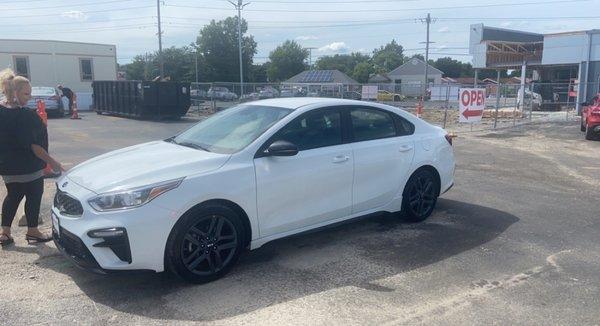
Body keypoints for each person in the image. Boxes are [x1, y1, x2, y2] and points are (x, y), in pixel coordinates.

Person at [0, 69, 64, 246]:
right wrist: (53, 162)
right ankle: (33, 232)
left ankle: (5, 232)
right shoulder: (26, 115)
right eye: (26, 93)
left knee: (13, 195)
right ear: (14, 92)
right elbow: (34, 146)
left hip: (7, 166)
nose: (30, 97)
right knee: (34, 196)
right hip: (29, 166)